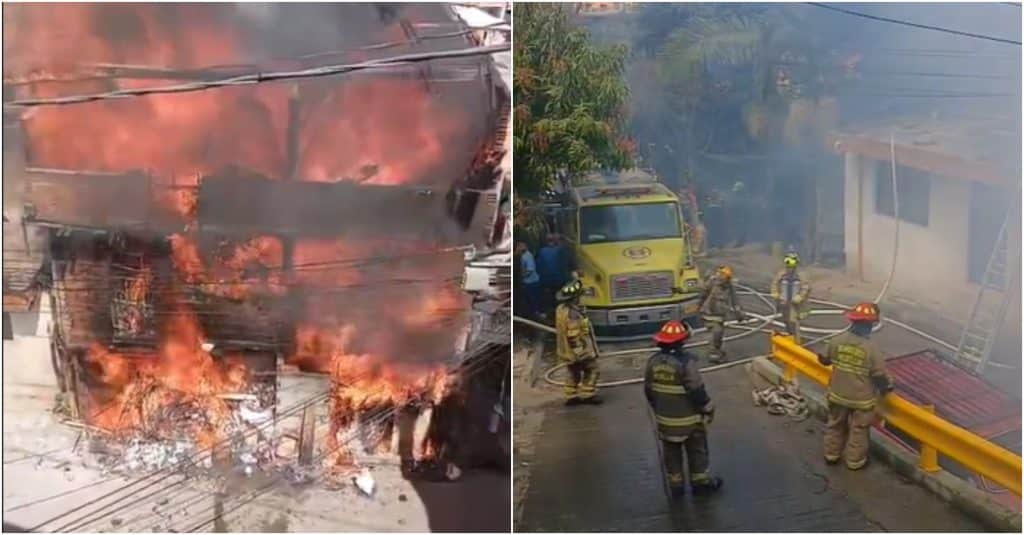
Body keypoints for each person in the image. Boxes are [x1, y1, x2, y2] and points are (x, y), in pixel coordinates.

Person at [644, 320, 722, 497]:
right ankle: (700, 482)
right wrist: (708, 408)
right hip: (690, 421)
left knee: (671, 453)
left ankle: (676, 484)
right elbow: (696, 391)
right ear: (682, 341)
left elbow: (649, 391)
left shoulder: (652, 362)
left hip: (665, 421)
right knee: (697, 450)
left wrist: (661, 410)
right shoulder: (686, 363)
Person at [817, 302, 893, 470]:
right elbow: (879, 376)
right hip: (861, 400)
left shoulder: (837, 340)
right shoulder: (872, 349)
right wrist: (887, 388)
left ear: (852, 321)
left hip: (837, 394)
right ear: (870, 325)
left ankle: (831, 455)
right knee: (859, 430)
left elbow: (823, 359)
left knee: (835, 424)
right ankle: (854, 461)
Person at [554, 279, 601, 405]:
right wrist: (581, 353)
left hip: (566, 351)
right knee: (592, 370)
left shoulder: (561, 309)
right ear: (575, 297)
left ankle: (571, 395)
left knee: (573, 372)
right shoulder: (573, 314)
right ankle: (588, 394)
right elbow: (573, 334)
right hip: (579, 351)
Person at [699, 265, 744, 363]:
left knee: (719, 334)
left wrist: (739, 313)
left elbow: (735, 300)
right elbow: (702, 293)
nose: (724, 279)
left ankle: (717, 350)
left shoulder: (729, 286)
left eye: (727, 277)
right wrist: (699, 308)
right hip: (709, 314)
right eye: (723, 276)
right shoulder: (712, 282)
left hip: (720, 316)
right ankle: (713, 354)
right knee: (716, 332)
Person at [770, 252, 811, 343]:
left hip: (794, 304)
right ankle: (790, 337)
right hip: (784, 302)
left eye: (791, 262)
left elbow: (806, 287)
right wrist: (775, 294)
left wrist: (800, 297)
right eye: (787, 261)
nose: (789, 265)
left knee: (794, 322)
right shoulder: (782, 273)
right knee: (786, 321)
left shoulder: (801, 275)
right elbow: (775, 284)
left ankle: (796, 342)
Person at [536, 233, 570, 314]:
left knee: (549, 299)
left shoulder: (541, 251)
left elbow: (538, 266)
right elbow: (564, 265)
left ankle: (550, 313)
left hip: (546, 281)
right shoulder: (560, 250)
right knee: (559, 298)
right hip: (559, 280)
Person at [516, 241, 542, 320]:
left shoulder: (527, 256)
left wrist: (522, 276)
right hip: (529, 282)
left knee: (533, 299)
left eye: (520, 246)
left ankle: (536, 314)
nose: (519, 248)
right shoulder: (523, 256)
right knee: (530, 300)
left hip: (531, 281)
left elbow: (530, 270)